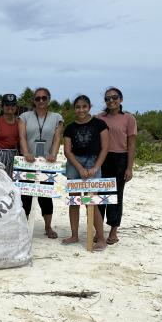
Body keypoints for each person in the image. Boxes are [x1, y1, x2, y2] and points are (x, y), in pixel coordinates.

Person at [62, 95, 109, 251]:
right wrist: (79, 168)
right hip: (74, 163)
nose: (81, 110)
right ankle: (74, 235)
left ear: (89, 107)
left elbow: (105, 148)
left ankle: (101, 238)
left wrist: (96, 167)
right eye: (77, 107)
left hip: (94, 161)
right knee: (74, 200)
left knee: (91, 201)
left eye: (84, 106)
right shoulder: (69, 128)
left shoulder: (100, 124)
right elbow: (67, 151)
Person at [18, 87, 64, 239]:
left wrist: (53, 154)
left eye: (44, 98)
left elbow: (57, 138)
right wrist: (26, 153)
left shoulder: (57, 117)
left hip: (46, 163)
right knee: (25, 195)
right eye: (38, 98)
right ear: (33, 100)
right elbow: (22, 137)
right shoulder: (24, 116)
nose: (41, 100)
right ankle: (23, 226)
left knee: (46, 196)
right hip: (28, 162)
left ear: (49, 99)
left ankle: (48, 227)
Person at [97, 87, 137, 245]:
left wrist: (129, 167)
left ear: (121, 99)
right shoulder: (99, 118)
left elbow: (132, 144)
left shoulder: (129, 118)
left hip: (120, 158)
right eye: (107, 98)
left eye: (114, 97)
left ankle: (113, 230)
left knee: (116, 196)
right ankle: (98, 231)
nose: (111, 101)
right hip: (101, 158)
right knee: (100, 194)